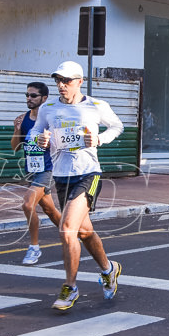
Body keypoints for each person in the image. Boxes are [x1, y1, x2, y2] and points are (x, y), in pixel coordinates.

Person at [28, 61, 124, 310]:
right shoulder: (48, 108)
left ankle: (70, 288)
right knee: (83, 231)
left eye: (67, 81)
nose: (61, 85)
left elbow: (117, 126)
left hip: (88, 174)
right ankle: (108, 269)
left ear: (79, 82)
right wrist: (41, 139)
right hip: (61, 177)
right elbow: (35, 134)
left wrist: (100, 138)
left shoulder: (96, 106)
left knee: (67, 228)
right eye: (58, 80)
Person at [11, 81, 62, 265]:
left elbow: (60, 145)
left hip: (48, 169)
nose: (29, 99)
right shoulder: (23, 118)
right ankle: (72, 233)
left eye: (33, 96)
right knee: (49, 210)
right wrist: (17, 129)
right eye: (27, 95)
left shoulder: (50, 119)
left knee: (27, 204)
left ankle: (34, 248)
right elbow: (15, 147)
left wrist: (49, 142)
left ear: (44, 98)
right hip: (32, 170)